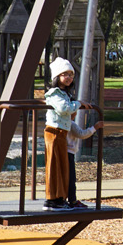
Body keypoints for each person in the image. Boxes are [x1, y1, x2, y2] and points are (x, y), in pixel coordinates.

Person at [42, 56, 95, 209]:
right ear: (57, 76)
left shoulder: (64, 94)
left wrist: (74, 104)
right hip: (54, 132)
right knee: (54, 166)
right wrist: (78, 104)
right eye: (65, 74)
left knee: (61, 167)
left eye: (71, 75)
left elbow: (67, 108)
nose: (69, 78)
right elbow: (63, 108)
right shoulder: (54, 93)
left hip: (61, 134)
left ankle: (59, 198)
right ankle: (52, 199)